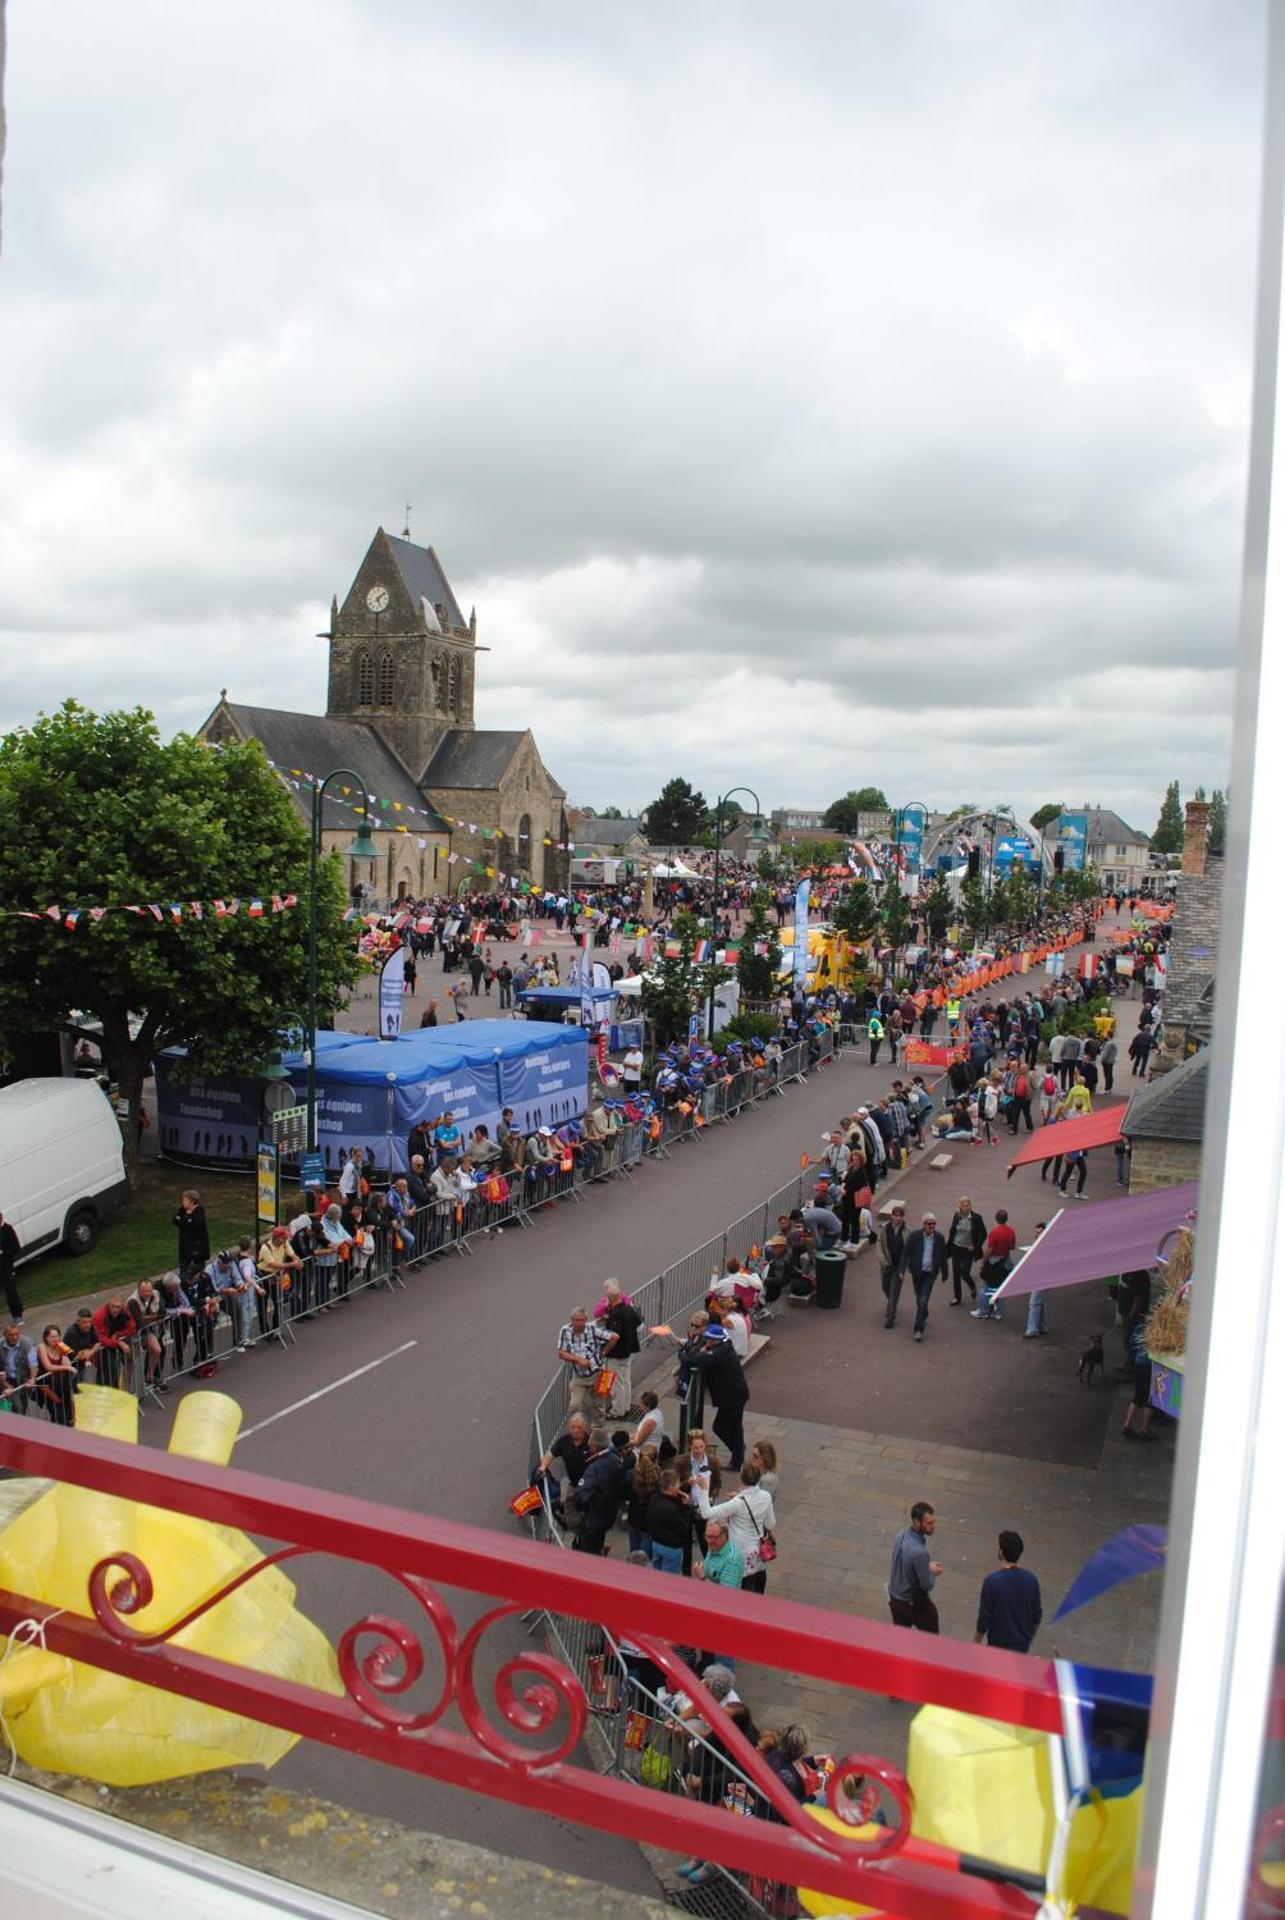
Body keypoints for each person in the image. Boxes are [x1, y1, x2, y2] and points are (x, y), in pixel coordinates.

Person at [693, 1461, 777, 1593]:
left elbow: (706, 1513)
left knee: (739, 1591)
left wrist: (703, 1489)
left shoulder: (737, 1503)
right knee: (757, 1591)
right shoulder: (765, 1497)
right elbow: (770, 1524)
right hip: (757, 1554)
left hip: (739, 1554)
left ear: (741, 1477)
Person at [690, 1323, 750, 1468]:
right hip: (736, 1394)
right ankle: (738, 1453)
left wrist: (701, 1351)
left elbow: (696, 1359)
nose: (706, 1341)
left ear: (714, 1340)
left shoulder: (718, 1353)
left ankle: (738, 1453)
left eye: (708, 1339)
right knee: (735, 1427)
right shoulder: (725, 1346)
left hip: (731, 1397)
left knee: (720, 1427)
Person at [974, 1531, 1043, 1652]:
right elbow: (1036, 1616)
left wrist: (976, 1643)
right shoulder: (1032, 1580)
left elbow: (984, 1619)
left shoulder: (992, 1582)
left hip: (998, 1645)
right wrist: (1029, 1639)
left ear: (1001, 1551)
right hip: (1022, 1645)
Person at [887, 1500, 942, 1632]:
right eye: (929, 1523)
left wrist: (925, 1566)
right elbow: (927, 1585)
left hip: (894, 1597)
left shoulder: (901, 1535)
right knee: (931, 1636)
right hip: (910, 1602)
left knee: (901, 1637)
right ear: (917, 1522)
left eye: (933, 1522)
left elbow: (906, 1563)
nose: (933, 1526)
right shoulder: (919, 1552)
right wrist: (933, 1572)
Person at [572, 1425, 626, 1555]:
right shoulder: (615, 1460)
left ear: (594, 1448)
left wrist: (582, 1508)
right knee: (598, 1540)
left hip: (595, 1517)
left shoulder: (595, 1468)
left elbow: (580, 1495)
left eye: (590, 1445)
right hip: (609, 1513)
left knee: (587, 1552)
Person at [556, 1306, 612, 1420]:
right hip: (579, 1376)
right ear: (571, 1320)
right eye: (576, 1320)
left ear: (586, 1320)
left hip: (599, 1372)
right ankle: (580, 1426)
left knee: (600, 1404)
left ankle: (597, 1427)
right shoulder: (565, 1330)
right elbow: (561, 1353)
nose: (579, 1323)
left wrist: (605, 1351)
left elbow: (614, 1337)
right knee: (574, 1405)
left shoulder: (593, 1329)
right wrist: (577, 1359)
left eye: (582, 1320)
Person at [597, 1280, 642, 1417]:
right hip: (628, 1351)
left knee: (616, 1384)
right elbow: (639, 1324)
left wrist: (605, 1351)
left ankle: (617, 1411)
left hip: (617, 1354)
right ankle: (626, 1406)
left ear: (610, 1298)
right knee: (625, 1380)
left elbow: (614, 1337)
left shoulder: (616, 1314)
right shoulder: (629, 1309)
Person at [901, 1212, 948, 1342]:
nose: (932, 1226)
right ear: (923, 1224)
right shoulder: (915, 1236)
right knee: (919, 1297)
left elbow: (943, 1256)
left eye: (934, 1224)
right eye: (929, 1223)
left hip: (930, 1273)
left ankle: (918, 1329)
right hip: (917, 1272)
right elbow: (906, 1253)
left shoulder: (939, 1238)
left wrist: (945, 1272)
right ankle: (924, 1313)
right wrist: (902, 1270)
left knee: (922, 1300)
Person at [972, 1208, 1017, 1321]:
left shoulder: (995, 1232)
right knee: (1001, 1288)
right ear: (1006, 1219)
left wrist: (983, 1262)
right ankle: (997, 1312)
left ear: (996, 1219)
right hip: (1005, 1262)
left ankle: (984, 1311)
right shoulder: (1011, 1231)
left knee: (986, 1288)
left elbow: (989, 1249)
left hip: (993, 1262)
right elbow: (1012, 1247)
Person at [646, 1467, 694, 1573]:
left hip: (656, 1543)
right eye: (677, 1484)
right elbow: (684, 1529)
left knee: (655, 1573)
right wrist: (686, 1507)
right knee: (668, 1580)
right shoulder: (671, 1509)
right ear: (671, 1486)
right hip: (672, 1548)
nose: (679, 1486)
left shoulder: (654, 1498)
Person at [126, 1277, 169, 1389]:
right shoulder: (132, 1302)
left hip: (148, 1330)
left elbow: (163, 1313)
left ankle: (149, 1375)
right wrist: (153, 1318)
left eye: (149, 1290)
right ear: (138, 1290)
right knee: (129, 1363)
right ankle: (126, 1389)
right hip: (132, 1334)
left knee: (157, 1349)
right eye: (144, 1291)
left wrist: (148, 1317)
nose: (148, 1294)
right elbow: (139, 1323)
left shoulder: (156, 1294)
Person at [945, 1197, 987, 1306]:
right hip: (956, 1247)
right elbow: (953, 1229)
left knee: (965, 1273)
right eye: (963, 1205)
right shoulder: (957, 1216)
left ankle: (972, 1286)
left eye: (968, 1205)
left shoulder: (976, 1218)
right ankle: (957, 1297)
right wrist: (949, 1243)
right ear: (960, 1207)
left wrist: (975, 1246)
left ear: (970, 1206)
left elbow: (983, 1234)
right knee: (956, 1272)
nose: (966, 1207)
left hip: (968, 1249)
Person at [91, 1295, 138, 1389]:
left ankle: (125, 1388)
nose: (115, 1309)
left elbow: (132, 1328)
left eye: (118, 1307)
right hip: (102, 1347)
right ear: (108, 1305)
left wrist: (118, 1334)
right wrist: (118, 1343)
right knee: (108, 1373)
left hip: (114, 1340)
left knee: (130, 1360)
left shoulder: (124, 1312)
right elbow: (100, 1338)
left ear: (122, 1306)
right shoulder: (99, 1316)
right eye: (113, 1306)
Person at [34, 1324, 77, 1424]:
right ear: (46, 1338)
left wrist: (66, 1353)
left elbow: (69, 1360)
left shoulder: (60, 1345)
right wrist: (67, 1367)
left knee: (69, 1414)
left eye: (57, 1336)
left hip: (62, 1385)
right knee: (58, 1414)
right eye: (52, 1337)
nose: (56, 1339)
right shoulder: (42, 1347)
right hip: (47, 1386)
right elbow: (48, 1367)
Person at [876, 1204, 908, 1330]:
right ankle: (892, 1303)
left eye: (900, 1216)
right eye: (896, 1216)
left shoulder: (907, 1231)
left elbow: (907, 1250)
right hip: (886, 1264)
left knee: (894, 1290)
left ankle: (891, 1315)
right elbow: (880, 1244)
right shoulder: (885, 1228)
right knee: (885, 1287)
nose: (898, 1218)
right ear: (892, 1216)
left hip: (898, 1266)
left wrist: (903, 1267)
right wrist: (882, 1260)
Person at [174, 1190, 210, 1282]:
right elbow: (175, 1219)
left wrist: (184, 1220)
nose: (183, 1202)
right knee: (183, 1269)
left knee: (194, 1271)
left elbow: (193, 1226)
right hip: (184, 1247)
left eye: (185, 1200)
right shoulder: (182, 1210)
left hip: (196, 1249)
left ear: (192, 1201)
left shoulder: (199, 1212)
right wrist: (185, 1220)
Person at [1, 1321, 37, 1409]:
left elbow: (33, 1364)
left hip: (23, 1380)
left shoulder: (28, 1344)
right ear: (5, 1335)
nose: (15, 1337)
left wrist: (32, 1378)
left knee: (23, 1407)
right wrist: (4, 1384)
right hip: (6, 1381)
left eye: (16, 1334)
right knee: (17, 1407)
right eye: (11, 1335)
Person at [63, 1304, 102, 1380]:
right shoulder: (71, 1333)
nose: (88, 1324)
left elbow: (98, 1342)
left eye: (89, 1322)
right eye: (84, 1322)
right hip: (69, 1366)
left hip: (82, 1364)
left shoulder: (91, 1327)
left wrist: (91, 1352)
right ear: (78, 1321)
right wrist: (85, 1353)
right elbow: (77, 1356)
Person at [0, 1211, 22, 1323]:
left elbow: (16, 1247)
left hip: (6, 1265)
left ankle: (17, 1315)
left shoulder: (8, 1229)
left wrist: (4, 1252)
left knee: (11, 1290)